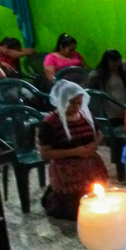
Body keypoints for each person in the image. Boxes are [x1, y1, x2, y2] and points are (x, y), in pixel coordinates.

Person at [38, 81, 108, 220]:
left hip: (90, 166)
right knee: (75, 211)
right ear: (62, 101)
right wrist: (75, 152)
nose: (77, 107)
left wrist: (93, 145)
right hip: (66, 171)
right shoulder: (50, 123)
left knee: (95, 202)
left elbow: (99, 133)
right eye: (72, 103)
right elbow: (44, 153)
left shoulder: (85, 115)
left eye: (79, 103)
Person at [87, 49, 126, 126]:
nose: (115, 67)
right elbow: (88, 84)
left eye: (117, 64)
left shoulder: (122, 64)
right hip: (111, 111)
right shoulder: (99, 73)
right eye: (112, 65)